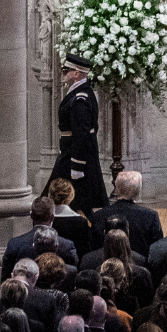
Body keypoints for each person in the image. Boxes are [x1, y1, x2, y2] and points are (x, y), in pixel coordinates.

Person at [46, 54, 107, 215]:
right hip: (70, 152)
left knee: (54, 197)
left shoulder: (80, 98)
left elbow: (82, 134)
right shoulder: (79, 93)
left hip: (74, 156)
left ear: (77, 73)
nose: (64, 73)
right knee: (81, 200)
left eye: (66, 70)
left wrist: (77, 164)